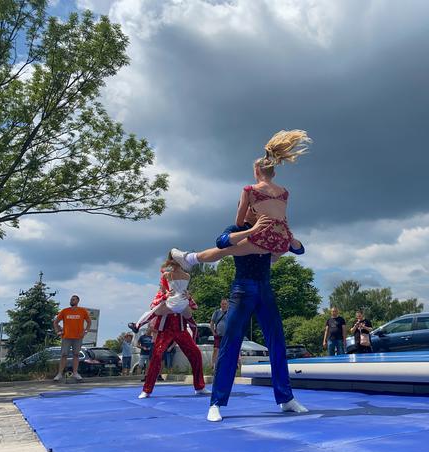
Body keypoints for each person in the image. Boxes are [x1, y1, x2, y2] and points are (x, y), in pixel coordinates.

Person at [173, 221, 309, 422]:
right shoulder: (238, 228)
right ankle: (216, 403)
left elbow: (299, 250)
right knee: (230, 344)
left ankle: (286, 398)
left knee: (277, 343)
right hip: (242, 289)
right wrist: (253, 231)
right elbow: (221, 241)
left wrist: (288, 236)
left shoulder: (272, 229)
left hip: (265, 288)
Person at [170, 130, 311, 266]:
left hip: (265, 238)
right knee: (264, 253)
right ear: (274, 174)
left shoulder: (250, 190)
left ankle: (189, 259)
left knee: (225, 251)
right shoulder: (284, 192)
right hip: (283, 239)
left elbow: (239, 222)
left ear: (256, 171)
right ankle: (271, 258)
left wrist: (251, 227)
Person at [138, 315, 208, 399]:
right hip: (165, 331)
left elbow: (190, 311)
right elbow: (153, 311)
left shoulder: (186, 301)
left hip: (181, 330)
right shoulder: (160, 301)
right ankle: (146, 390)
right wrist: (139, 324)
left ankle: (199, 386)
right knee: (156, 356)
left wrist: (194, 335)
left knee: (196, 354)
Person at [128, 253, 197, 335]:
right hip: (183, 302)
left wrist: (167, 293)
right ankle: (196, 335)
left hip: (173, 302)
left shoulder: (167, 274)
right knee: (191, 321)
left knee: (153, 313)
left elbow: (163, 290)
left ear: (171, 263)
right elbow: (184, 289)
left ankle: (137, 326)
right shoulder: (187, 276)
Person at [52, 295, 91, 381]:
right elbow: (55, 322)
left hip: (78, 337)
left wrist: (85, 331)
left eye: (73, 299)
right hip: (66, 337)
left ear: (77, 301)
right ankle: (59, 374)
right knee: (64, 354)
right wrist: (58, 331)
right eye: (71, 299)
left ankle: (75, 373)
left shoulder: (82, 311)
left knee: (76, 355)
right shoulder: (65, 311)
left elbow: (89, 322)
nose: (71, 301)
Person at [210, 299, 229, 371]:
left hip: (226, 335)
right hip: (218, 334)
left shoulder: (229, 313)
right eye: (222, 304)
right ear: (220, 304)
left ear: (227, 305)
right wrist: (213, 332)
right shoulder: (217, 312)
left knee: (226, 350)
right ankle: (213, 364)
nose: (224, 305)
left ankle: (226, 365)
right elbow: (211, 323)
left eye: (225, 304)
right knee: (216, 349)